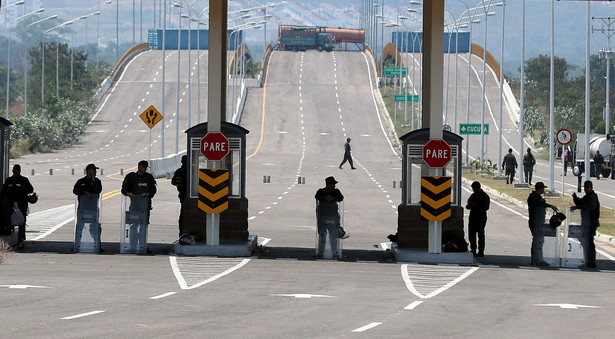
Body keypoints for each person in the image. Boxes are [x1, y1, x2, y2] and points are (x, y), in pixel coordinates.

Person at [121, 160, 157, 251]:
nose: (144, 169)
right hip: (134, 205)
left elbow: (153, 189)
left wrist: (147, 193)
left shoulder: (149, 177)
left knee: (143, 226)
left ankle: (142, 246)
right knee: (133, 225)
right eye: (142, 167)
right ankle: (133, 246)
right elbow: (124, 189)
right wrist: (128, 193)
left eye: (145, 167)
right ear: (139, 167)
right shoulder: (131, 177)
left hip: (144, 205)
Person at [0, 164, 34, 248]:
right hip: (10, 203)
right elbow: (3, 191)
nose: (15, 172)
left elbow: (31, 189)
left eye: (16, 171)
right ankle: (8, 233)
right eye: (14, 171)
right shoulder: (9, 180)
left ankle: (21, 239)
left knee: (22, 221)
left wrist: (22, 189)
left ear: (19, 171)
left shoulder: (24, 180)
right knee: (8, 218)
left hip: (21, 203)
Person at [315, 176, 349, 258]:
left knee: (333, 236)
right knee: (322, 235)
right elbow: (317, 196)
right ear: (328, 185)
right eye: (333, 184)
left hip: (333, 217)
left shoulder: (336, 191)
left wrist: (333, 198)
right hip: (323, 216)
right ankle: (320, 252)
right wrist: (325, 198)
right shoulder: (321, 191)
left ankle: (334, 253)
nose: (334, 186)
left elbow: (341, 198)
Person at [73, 163, 103, 251]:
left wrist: (93, 180)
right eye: (93, 170)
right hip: (82, 208)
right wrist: (84, 192)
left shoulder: (97, 181)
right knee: (80, 226)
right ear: (88, 171)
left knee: (94, 227)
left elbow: (98, 190)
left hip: (93, 208)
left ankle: (97, 245)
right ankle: (77, 244)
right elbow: (75, 190)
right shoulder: (81, 181)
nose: (95, 172)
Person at [527, 182, 558, 266]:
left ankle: (539, 259)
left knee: (540, 241)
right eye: (542, 188)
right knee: (537, 241)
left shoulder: (537, 197)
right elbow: (540, 204)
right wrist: (550, 206)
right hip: (535, 221)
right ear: (540, 188)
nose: (543, 190)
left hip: (539, 221)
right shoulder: (533, 197)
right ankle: (536, 260)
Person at [571, 180, 600, 268]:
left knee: (589, 242)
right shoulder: (587, 196)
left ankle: (591, 262)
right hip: (586, 222)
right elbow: (581, 203)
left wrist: (578, 207)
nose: (586, 189)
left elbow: (590, 207)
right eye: (585, 187)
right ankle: (588, 261)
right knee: (586, 242)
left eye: (587, 187)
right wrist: (575, 199)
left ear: (591, 187)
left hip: (591, 223)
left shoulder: (593, 196)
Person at [465, 181, 490, 257]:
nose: (473, 190)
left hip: (481, 217)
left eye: (474, 188)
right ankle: (473, 249)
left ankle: (481, 251)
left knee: (481, 235)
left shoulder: (485, 196)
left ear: (478, 188)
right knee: (471, 235)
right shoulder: (473, 195)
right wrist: (471, 205)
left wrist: (476, 205)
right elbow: (467, 206)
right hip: (473, 217)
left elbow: (486, 207)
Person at [171, 155, 188, 237]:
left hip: (182, 195)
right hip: (188, 196)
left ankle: (181, 233)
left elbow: (173, 182)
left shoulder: (179, 171)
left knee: (183, 214)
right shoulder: (191, 171)